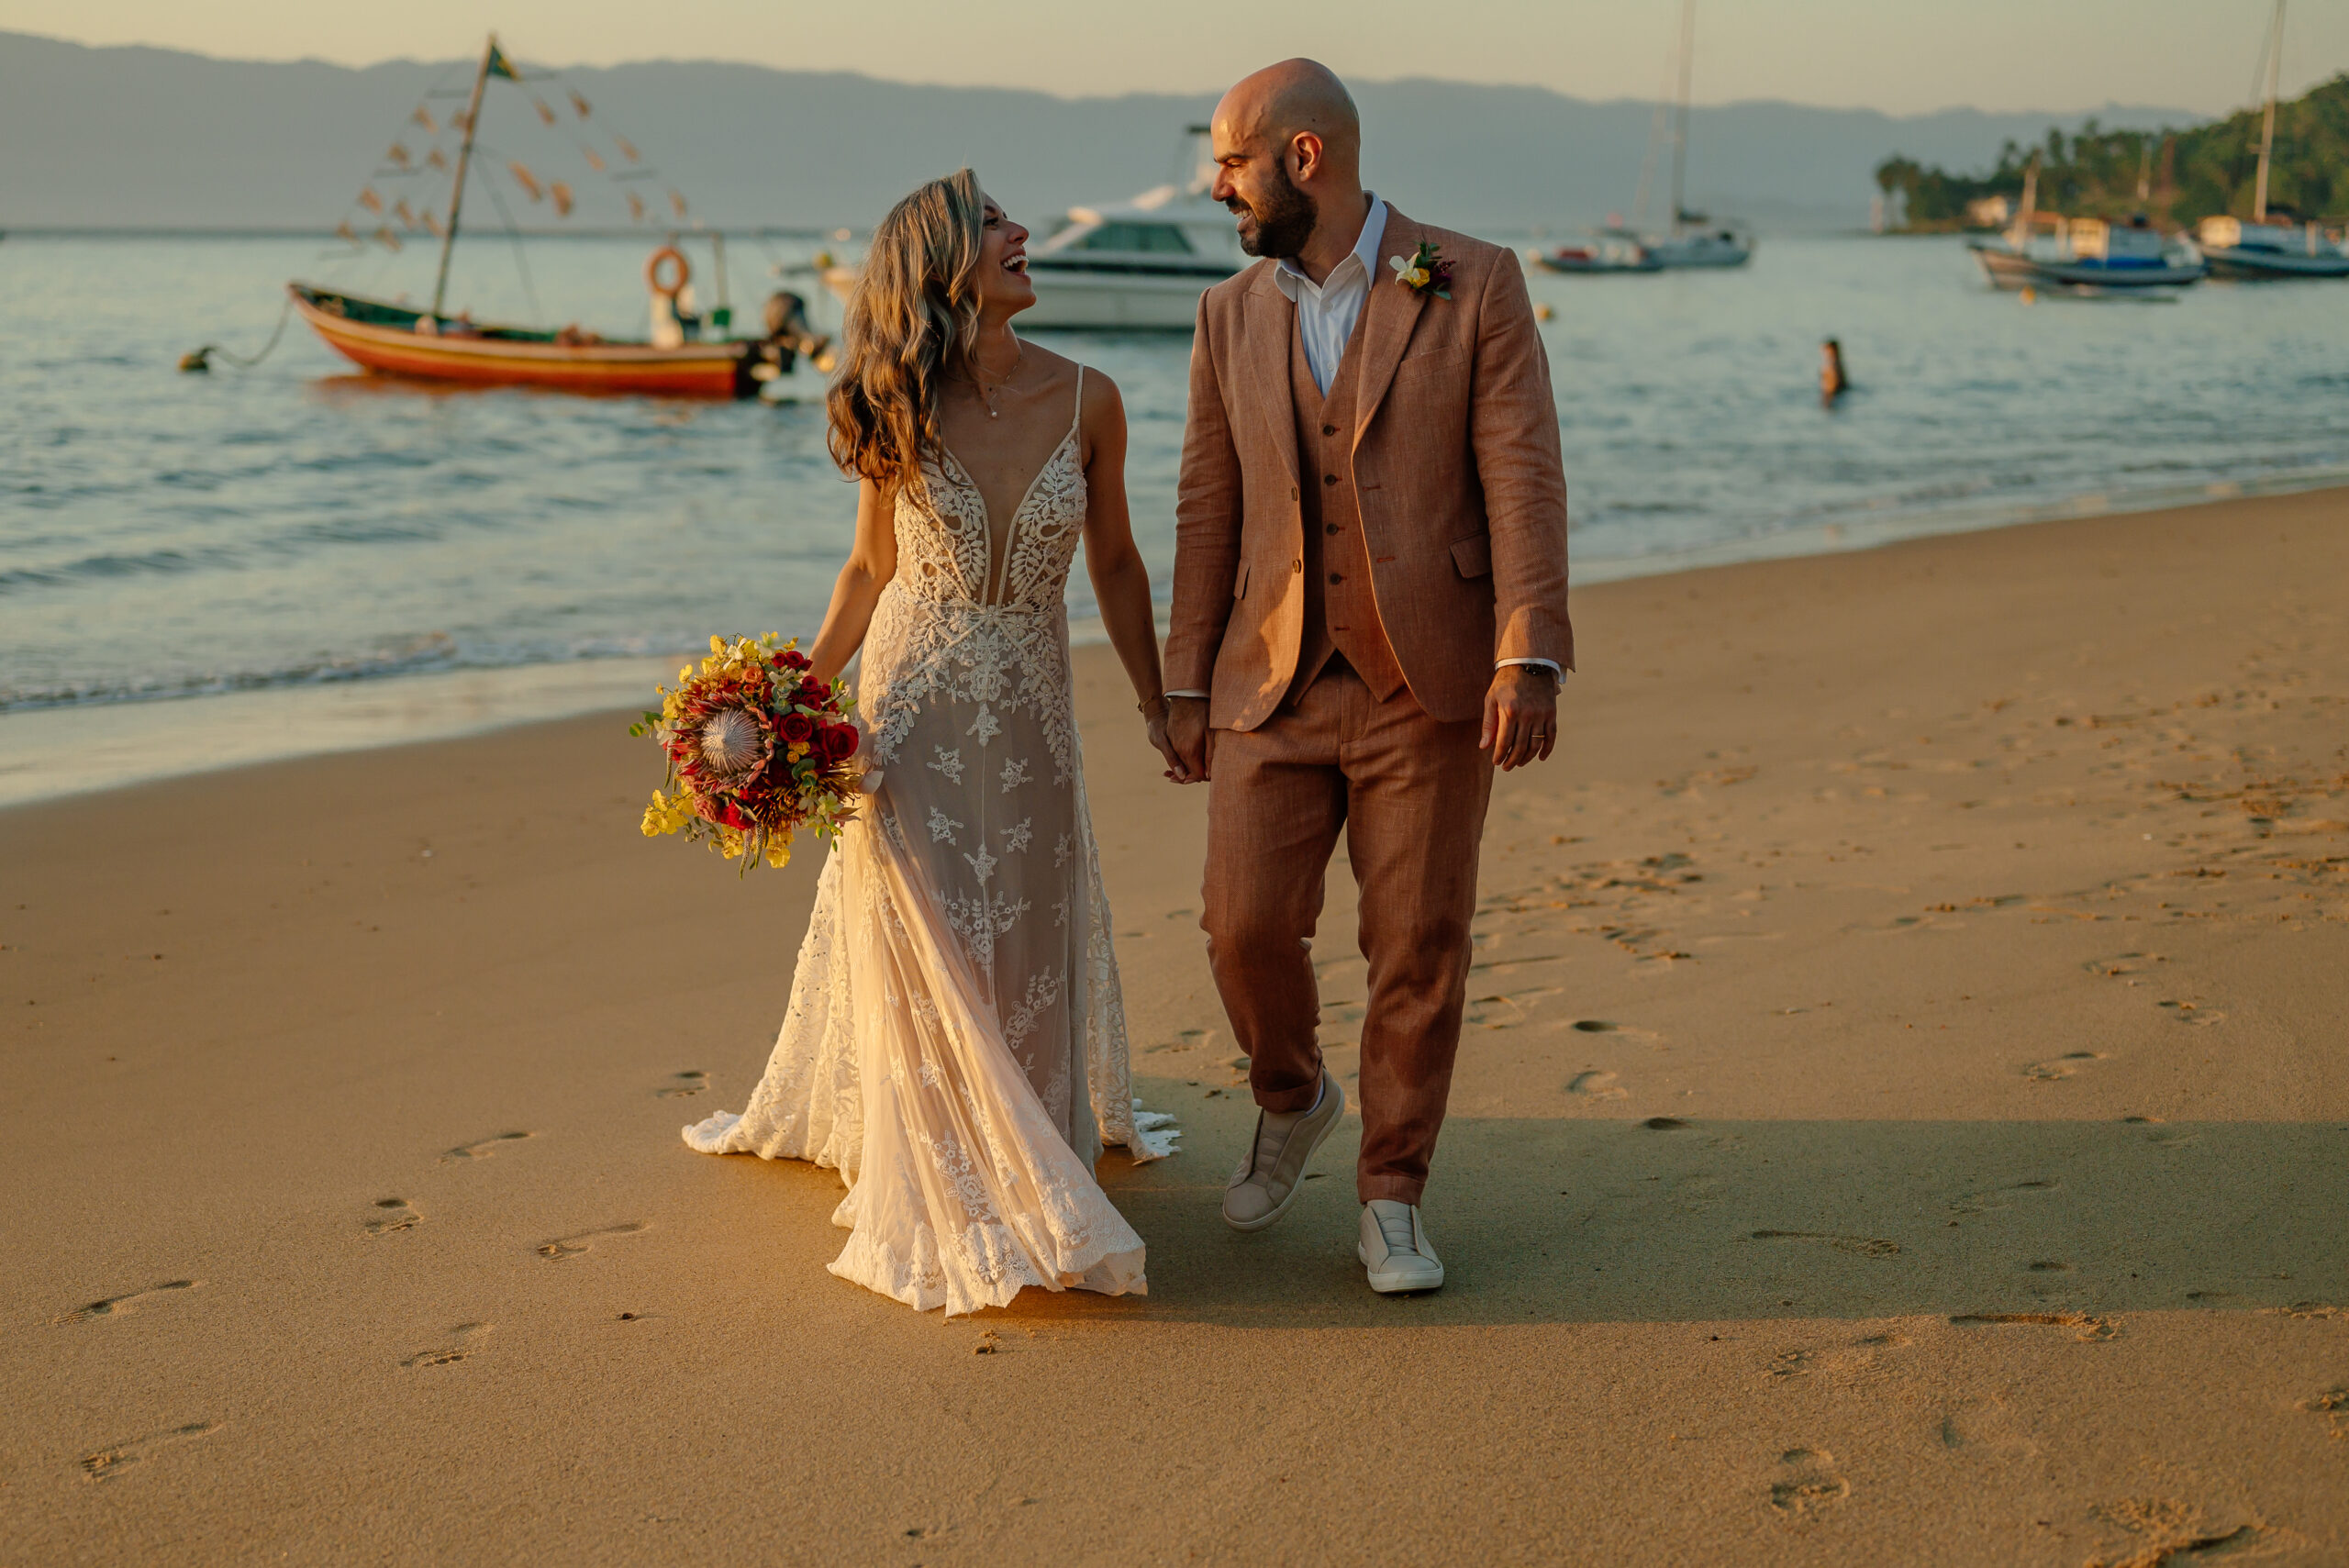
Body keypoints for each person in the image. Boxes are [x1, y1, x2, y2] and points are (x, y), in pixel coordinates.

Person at [684, 170, 1183, 1315]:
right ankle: (958, 1154)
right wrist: (788, 705)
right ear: (945, 264)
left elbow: (1114, 562)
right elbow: (869, 568)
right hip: (910, 712)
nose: (1024, 235)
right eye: (998, 224)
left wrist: (1159, 702)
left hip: (1033, 715)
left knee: (1025, 919)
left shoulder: (1091, 397)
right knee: (929, 930)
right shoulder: (890, 397)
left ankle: (1031, 1131)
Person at [1163, 61, 1574, 1295]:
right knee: (1241, 927)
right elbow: (1205, 509)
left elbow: (1523, 474)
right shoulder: (1228, 313)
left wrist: (1529, 651)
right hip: (1269, 686)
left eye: (1230, 161)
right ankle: (1292, 1095)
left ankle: (1393, 1195)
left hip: (1430, 680)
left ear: (1302, 160)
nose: (1213, 182)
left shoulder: (1470, 279)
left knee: (1416, 942)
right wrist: (1186, 683)